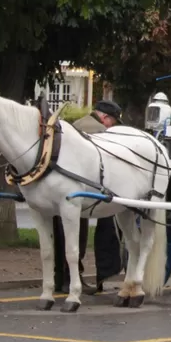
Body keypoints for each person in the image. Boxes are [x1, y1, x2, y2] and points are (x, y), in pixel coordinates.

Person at [54, 100, 124, 294]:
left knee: (62, 235)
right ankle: (76, 278)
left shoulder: (77, 124)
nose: (112, 125)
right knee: (79, 236)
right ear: (104, 117)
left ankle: (61, 278)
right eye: (113, 121)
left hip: (61, 187)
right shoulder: (101, 131)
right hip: (83, 187)